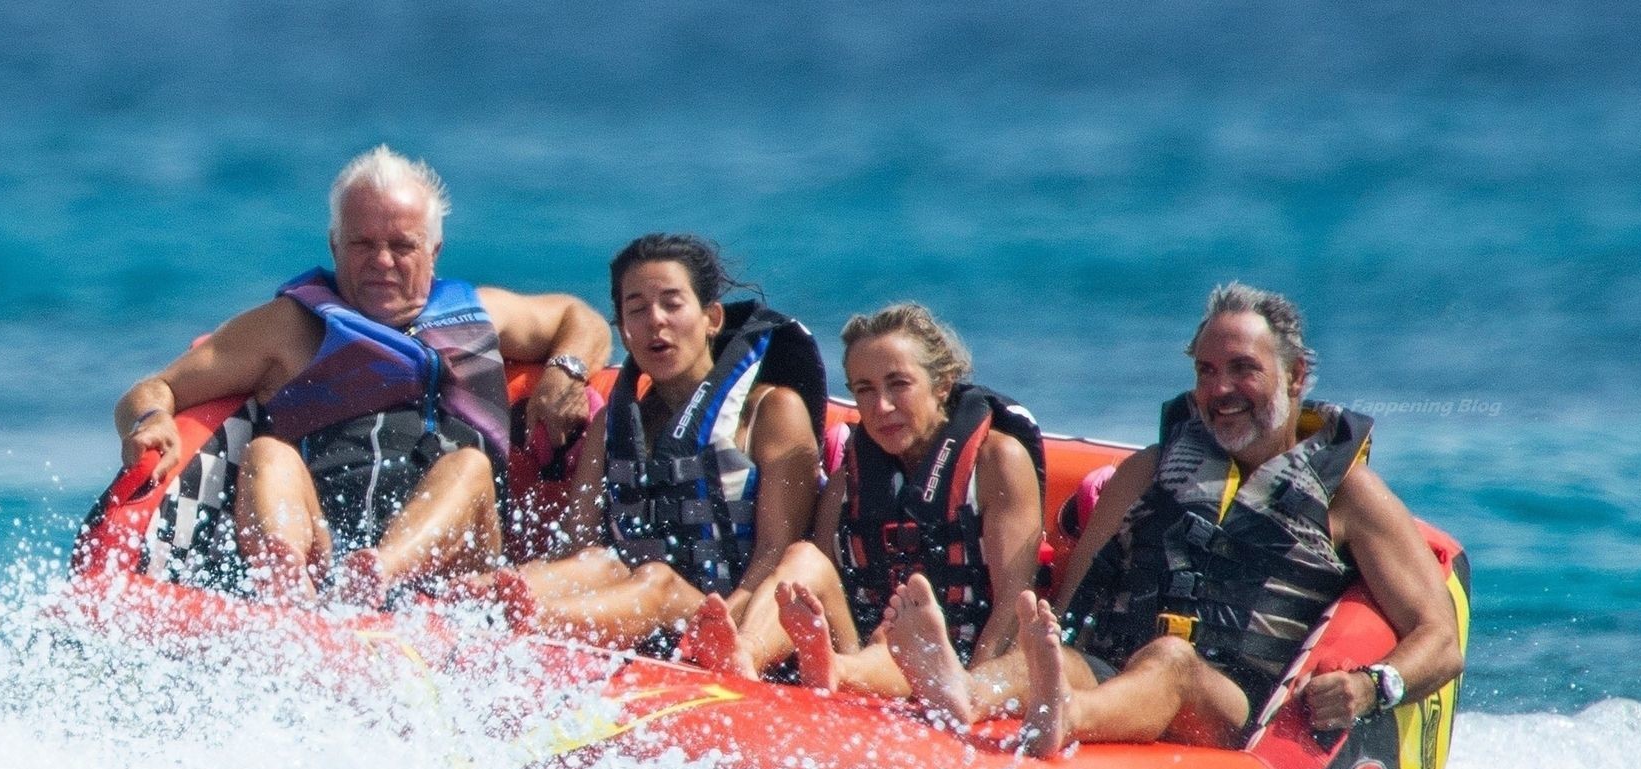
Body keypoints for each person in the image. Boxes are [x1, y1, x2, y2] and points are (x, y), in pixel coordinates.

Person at [886, 282, 1464, 752]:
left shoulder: (1348, 495)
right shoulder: (1149, 471)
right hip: (1116, 671)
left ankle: (1065, 715)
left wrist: (1371, 687)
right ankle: (965, 693)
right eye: (1206, 371)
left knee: (1171, 661)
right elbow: (1068, 608)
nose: (1221, 388)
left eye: (1243, 369)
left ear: (1294, 376)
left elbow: (1439, 639)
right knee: (1059, 656)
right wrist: (1036, 652)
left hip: (1232, 709)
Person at [113, 146, 611, 604]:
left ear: (434, 250)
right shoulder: (288, 329)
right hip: (326, 549)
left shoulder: (483, 315)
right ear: (334, 245)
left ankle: (378, 572)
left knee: (468, 467)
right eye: (362, 244)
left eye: (402, 245)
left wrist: (564, 371)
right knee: (266, 453)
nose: (382, 261)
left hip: (455, 564)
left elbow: (581, 319)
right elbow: (156, 389)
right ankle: (288, 591)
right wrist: (150, 419)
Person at [681, 304, 1046, 698]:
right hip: (860, 652)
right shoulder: (847, 482)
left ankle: (836, 668)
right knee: (805, 557)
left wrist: (971, 694)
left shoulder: (998, 463)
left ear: (942, 384)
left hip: (948, 667)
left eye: (898, 384)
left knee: (900, 636)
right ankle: (747, 653)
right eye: (865, 390)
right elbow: (813, 588)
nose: (881, 407)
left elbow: (1013, 605)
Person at [495, 233, 825, 650]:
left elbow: (776, 555)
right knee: (599, 564)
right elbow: (581, 545)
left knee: (658, 582)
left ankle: (521, 624)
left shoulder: (772, 412)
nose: (655, 320)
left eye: (672, 304)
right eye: (637, 309)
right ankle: (482, 596)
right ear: (624, 332)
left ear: (712, 319)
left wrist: (725, 628)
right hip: (633, 616)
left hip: (740, 623)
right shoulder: (611, 428)